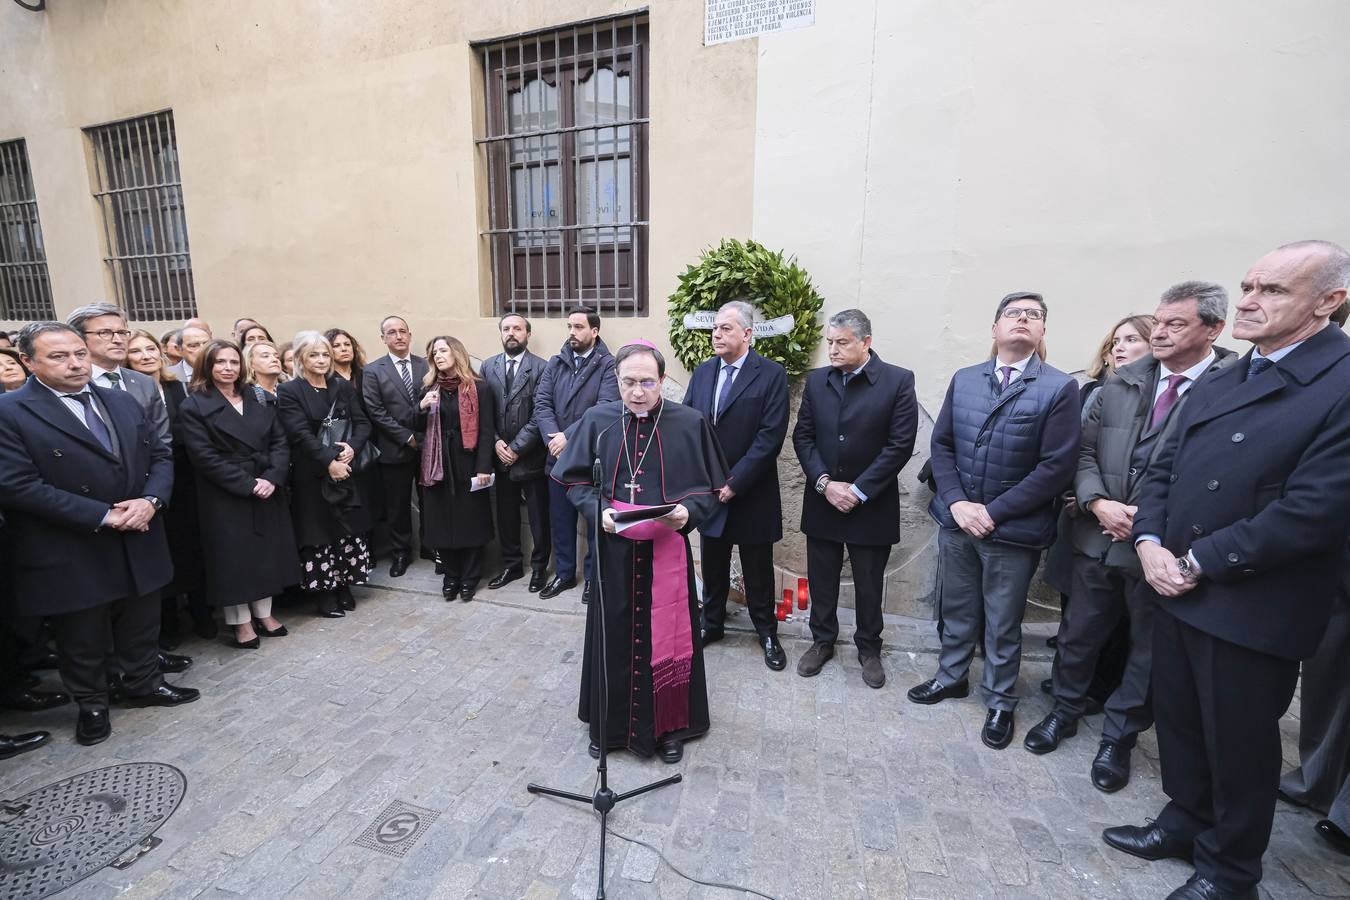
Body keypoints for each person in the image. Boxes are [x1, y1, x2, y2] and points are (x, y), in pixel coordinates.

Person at [1105, 240, 1350, 900]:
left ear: (1330, 301)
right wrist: (1151, 542)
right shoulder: (1225, 375)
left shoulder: (1341, 381)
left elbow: (1316, 509)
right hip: (1174, 582)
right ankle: (1184, 822)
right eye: (1248, 284)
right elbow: (1165, 468)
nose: (1247, 299)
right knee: (1180, 724)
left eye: (1272, 290)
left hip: (1251, 602)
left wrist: (1198, 560)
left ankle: (1229, 870)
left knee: (1239, 745)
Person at [1028, 284, 1235, 791]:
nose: (1160, 332)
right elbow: (1081, 452)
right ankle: (1065, 710)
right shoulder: (1119, 385)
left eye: (1174, 325)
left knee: (1147, 649)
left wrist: (1147, 523)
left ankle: (1118, 738)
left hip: (1163, 549)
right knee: (1079, 633)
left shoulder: (1229, 389)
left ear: (1213, 330)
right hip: (1098, 535)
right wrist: (1098, 501)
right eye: (1158, 322)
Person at [0, 322, 199, 746]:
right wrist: (101, 515)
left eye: (78, 353)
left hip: (138, 530)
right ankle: (92, 704)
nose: (74, 363)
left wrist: (151, 501)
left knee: (142, 619)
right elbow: (17, 485)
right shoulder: (11, 412)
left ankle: (144, 682)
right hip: (73, 542)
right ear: (28, 361)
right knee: (83, 634)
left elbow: (160, 455)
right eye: (58, 356)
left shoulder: (122, 401)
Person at [909, 292, 1080, 750]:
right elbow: (941, 446)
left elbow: (1055, 466)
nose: (1023, 319)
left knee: (1003, 620)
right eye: (1013, 313)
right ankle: (951, 677)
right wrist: (960, 503)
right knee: (957, 609)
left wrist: (993, 512)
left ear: (1043, 331)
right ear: (995, 328)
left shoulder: (1059, 388)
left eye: (1034, 315)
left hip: (1012, 529)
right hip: (958, 520)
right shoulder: (965, 380)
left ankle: (1001, 700)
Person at [552, 340, 728, 763]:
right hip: (614, 550)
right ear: (617, 380)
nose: (637, 392)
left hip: (667, 549)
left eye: (647, 382)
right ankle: (609, 727)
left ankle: (670, 727)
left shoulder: (689, 422)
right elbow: (575, 483)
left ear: (662, 381)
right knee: (612, 634)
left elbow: (711, 489)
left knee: (668, 636)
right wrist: (601, 512)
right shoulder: (598, 421)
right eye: (628, 382)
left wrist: (689, 512)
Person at [792, 310, 918, 687]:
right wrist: (825, 483)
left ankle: (869, 647)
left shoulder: (897, 381)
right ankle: (822, 641)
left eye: (842, 342)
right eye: (829, 341)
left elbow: (900, 445)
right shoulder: (817, 382)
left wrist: (859, 490)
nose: (832, 349)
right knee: (822, 578)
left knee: (868, 581)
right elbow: (803, 437)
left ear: (866, 342)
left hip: (872, 503)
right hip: (823, 498)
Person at [684, 300, 790, 670]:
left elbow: (770, 436)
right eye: (714, 327)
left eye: (726, 328)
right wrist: (703, 480)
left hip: (751, 491)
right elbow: (689, 427)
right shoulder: (702, 372)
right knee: (711, 565)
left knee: (757, 569)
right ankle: (710, 625)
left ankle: (766, 632)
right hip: (710, 492)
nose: (716, 333)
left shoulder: (771, 374)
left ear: (746, 334)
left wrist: (736, 482)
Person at [177, 340, 298, 649]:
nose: (228, 368)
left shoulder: (255, 398)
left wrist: (272, 477)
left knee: (264, 554)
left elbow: (279, 442)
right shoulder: (194, 405)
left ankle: (265, 614)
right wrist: (248, 484)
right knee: (233, 560)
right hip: (226, 494)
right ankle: (241, 623)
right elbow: (203, 457)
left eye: (233, 362)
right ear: (207, 366)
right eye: (220, 363)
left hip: (266, 485)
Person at [278, 332, 374, 616]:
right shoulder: (290, 391)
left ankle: (345, 586)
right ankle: (325, 594)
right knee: (318, 532)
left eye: (324, 355)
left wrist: (351, 451)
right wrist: (328, 461)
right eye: (313, 355)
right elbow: (299, 433)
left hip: (346, 471)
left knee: (346, 528)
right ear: (300, 359)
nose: (321, 360)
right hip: (312, 474)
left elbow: (362, 422)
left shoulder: (341, 386)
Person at [126, 329, 211, 643]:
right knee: (162, 552)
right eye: (137, 352)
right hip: (147, 480)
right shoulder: (122, 392)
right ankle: (169, 624)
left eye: (150, 349)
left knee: (192, 546)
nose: (146, 356)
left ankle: (202, 614)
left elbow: (191, 426)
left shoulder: (177, 386)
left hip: (186, 476)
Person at [535, 307, 619, 602]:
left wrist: (566, 437)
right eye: (570, 326)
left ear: (594, 331)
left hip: (590, 458)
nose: (572, 331)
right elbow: (542, 403)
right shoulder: (556, 362)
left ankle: (593, 578)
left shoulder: (608, 365)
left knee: (596, 522)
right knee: (560, 520)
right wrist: (552, 439)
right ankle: (564, 574)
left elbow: (604, 408)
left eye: (579, 327)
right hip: (556, 457)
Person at [417, 336, 495, 601]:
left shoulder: (479, 388)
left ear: (457, 354)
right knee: (441, 522)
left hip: (468, 461)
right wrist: (421, 407)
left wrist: (484, 466)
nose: (438, 355)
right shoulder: (429, 388)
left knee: (470, 521)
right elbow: (413, 424)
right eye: (434, 352)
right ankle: (450, 576)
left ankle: (470, 577)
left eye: (443, 350)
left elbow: (486, 430)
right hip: (437, 463)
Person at [481, 314, 550, 592]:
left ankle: (539, 568)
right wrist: (496, 442)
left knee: (538, 518)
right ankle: (511, 565)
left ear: (527, 334)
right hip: (500, 459)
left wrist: (516, 448)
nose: (512, 333)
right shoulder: (487, 367)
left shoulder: (543, 368)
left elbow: (541, 414)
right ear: (500, 333)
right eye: (506, 328)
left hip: (531, 457)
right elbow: (484, 411)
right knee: (506, 516)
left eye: (517, 329)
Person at [362, 316, 429, 576]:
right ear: (383, 338)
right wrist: (406, 437)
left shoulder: (426, 365)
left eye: (402, 331)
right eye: (392, 332)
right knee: (397, 505)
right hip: (394, 448)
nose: (398, 336)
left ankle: (430, 546)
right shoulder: (373, 370)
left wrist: (421, 438)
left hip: (427, 446)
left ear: (410, 335)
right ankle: (401, 552)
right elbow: (376, 412)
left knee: (429, 500)